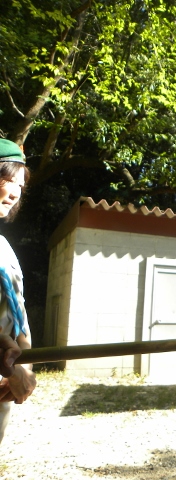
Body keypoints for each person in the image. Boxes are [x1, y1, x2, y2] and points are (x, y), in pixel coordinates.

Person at [0, 139, 37, 444]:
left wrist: (25, 367)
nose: (15, 193)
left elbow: (19, 314)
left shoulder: (5, 248)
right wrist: (11, 368)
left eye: (21, 186)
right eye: (10, 180)